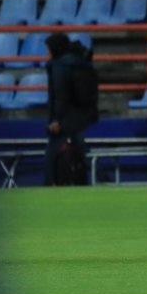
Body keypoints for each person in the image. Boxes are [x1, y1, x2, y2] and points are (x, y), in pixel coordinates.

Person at [44, 34, 99, 186]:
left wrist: (56, 120)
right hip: (83, 116)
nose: (47, 54)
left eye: (48, 50)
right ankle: (84, 183)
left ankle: (51, 185)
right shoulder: (81, 63)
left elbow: (60, 96)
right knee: (79, 153)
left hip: (65, 120)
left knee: (52, 156)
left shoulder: (60, 67)